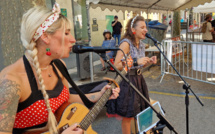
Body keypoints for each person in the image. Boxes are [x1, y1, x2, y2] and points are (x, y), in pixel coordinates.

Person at [0, 3, 120, 134]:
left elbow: (65, 100)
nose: (73, 39)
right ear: (45, 36)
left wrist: (99, 95)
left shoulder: (58, 65)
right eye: (67, 33)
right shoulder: (11, 81)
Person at [106, 16, 157, 134]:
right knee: (128, 116)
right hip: (127, 81)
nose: (146, 30)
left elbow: (139, 65)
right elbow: (116, 65)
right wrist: (135, 61)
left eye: (146, 27)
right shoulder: (126, 43)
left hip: (139, 79)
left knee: (139, 111)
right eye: (142, 27)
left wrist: (147, 61)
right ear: (133, 29)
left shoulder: (142, 45)